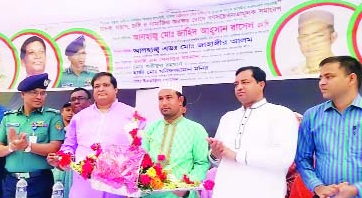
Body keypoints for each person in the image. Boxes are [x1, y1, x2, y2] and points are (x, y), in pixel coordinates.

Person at [207, 66, 299, 198]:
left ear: (261, 84)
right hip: (225, 191)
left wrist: (237, 155)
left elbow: (283, 158)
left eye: (245, 82)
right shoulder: (228, 117)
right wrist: (215, 154)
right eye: (236, 84)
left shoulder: (282, 114)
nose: (239, 87)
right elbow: (217, 159)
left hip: (264, 192)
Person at [47, 72, 142, 198]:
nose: (101, 89)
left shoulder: (132, 115)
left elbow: (140, 149)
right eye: (97, 86)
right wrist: (61, 160)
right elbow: (69, 146)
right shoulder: (80, 117)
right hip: (85, 185)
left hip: (118, 187)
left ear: (115, 90)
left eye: (105, 85)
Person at [295, 56, 362, 198]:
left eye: (329, 77)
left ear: (351, 79)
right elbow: (302, 158)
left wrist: (356, 189)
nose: (321, 83)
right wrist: (317, 186)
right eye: (320, 78)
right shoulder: (312, 116)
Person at [0, 73, 65, 198]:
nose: (39, 96)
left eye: (43, 93)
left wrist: (28, 146)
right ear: (23, 94)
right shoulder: (9, 117)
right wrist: (11, 147)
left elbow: (55, 147)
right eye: (34, 92)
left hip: (39, 181)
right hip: (11, 182)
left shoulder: (52, 116)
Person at [142, 84, 210, 198]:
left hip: (180, 194)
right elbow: (142, 160)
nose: (164, 103)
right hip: (150, 194)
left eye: (169, 98)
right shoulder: (151, 128)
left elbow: (202, 163)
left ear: (180, 100)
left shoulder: (196, 129)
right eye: (160, 99)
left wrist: (186, 187)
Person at [52, 88, 92, 198]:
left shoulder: (98, 121)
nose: (76, 102)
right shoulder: (71, 125)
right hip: (71, 172)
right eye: (73, 99)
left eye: (80, 98)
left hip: (96, 175)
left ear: (90, 102)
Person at [285, 10, 337, 75]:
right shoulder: (291, 74)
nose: (311, 43)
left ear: (333, 37)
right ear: (299, 41)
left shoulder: (345, 70)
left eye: (318, 36)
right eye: (304, 37)